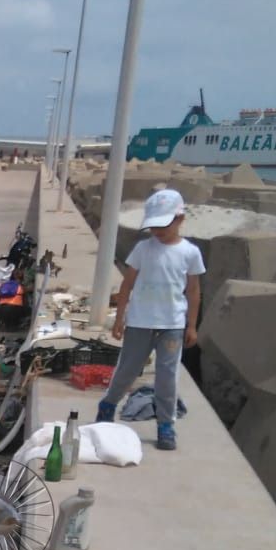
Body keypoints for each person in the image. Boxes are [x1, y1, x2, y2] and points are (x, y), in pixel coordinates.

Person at [96, 188, 204, 451]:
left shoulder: (190, 253)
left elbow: (193, 290)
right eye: (153, 226)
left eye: (163, 225)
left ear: (180, 219)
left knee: (167, 376)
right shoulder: (143, 249)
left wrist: (191, 325)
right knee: (128, 370)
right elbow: (127, 285)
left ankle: (166, 424)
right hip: (140, 323)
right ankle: (108, 404)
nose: (157, 231)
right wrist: (119, 318)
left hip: (172, 326)